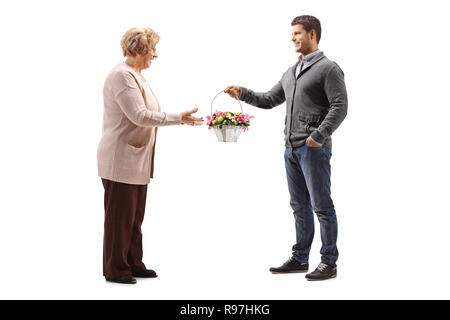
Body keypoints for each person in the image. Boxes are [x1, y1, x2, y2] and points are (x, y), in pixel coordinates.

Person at [225, 15, 347, 281]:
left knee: (322, 207)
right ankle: (300, 258)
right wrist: (242, 93)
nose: (292, 38)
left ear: (313, 34)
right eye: (292, 34)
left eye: (297, 33)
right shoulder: (291, 72)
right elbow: (270, 99)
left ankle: (329, 262)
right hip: (290, 150)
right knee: (299, 206)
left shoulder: (328, 69)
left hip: (313, 149)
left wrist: (318, 136)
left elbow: (340, 107)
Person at [97, 27, 203, 284]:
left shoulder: (137, 76)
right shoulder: (122, 76)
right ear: (137, 49)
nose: (155, 55)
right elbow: (140, 116)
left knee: (133, 218)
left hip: (136, 160)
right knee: (119, 219)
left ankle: (133, 262)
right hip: (120, 159)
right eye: (152, 49)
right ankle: (115, 269)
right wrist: (180, 118)